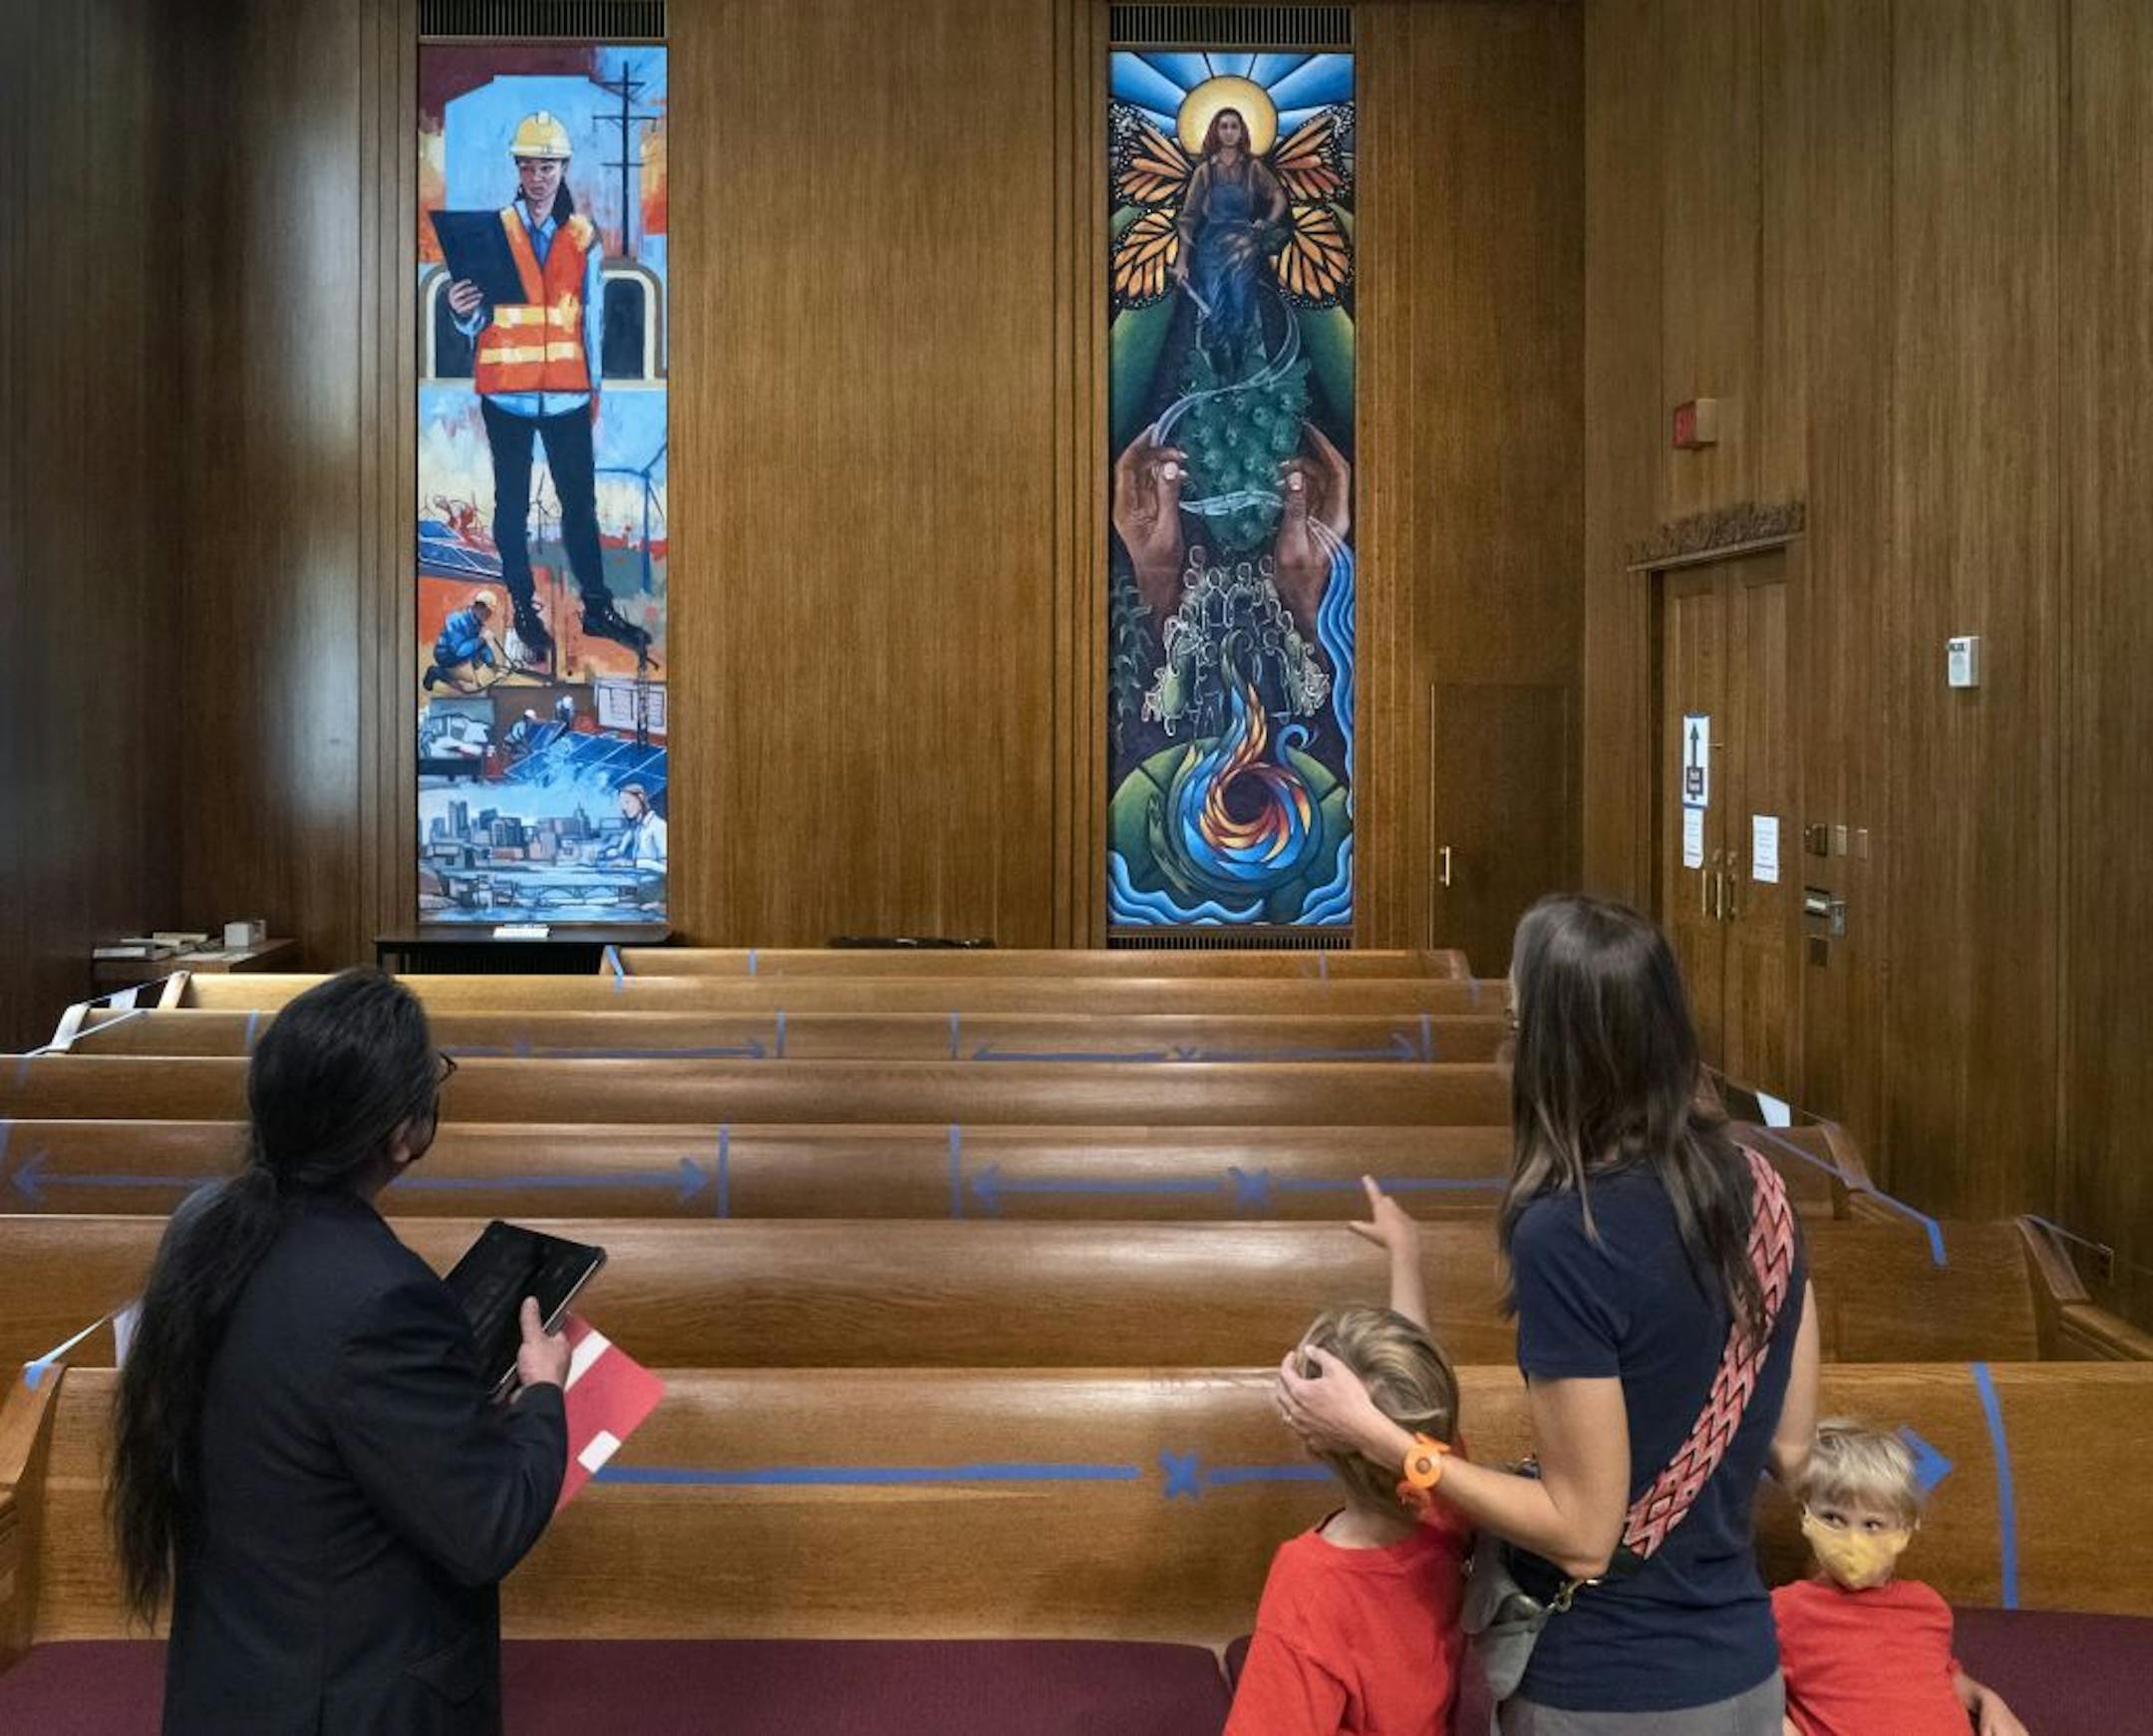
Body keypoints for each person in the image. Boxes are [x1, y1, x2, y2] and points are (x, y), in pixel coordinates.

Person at [1278, 894, 1822, 1734]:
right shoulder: (1764, 1189)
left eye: (1516, 1021)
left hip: (1607, 1692)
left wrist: (1383, 1439)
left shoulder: (1569, 1233)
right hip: (1742, 1677)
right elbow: (1789, 1449)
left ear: (1554, 1051)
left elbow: (1582, 1533)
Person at [109, 969, 570, 1735]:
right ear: (401, 1134)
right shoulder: (384, 1298)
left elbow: (307, 1420)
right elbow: (487, 1527)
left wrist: (448, 1406)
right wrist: (544, 1394)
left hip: (234, 1680)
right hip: (348, 1701)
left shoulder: (204, 1223)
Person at [1225, 1179, 1471, 1735]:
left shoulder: (1311, 1582)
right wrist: (1405, 1252)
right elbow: (1415, 1408)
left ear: (1314, 1436)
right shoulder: (1445, 1495)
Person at [446, 111, 651, 662]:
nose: (537, 176)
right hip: (506, 394)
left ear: (563, 168)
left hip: (566, 394)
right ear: (517, 169)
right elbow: (476, 317)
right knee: (509, 507)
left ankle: (598, 607)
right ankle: (525, 606)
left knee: (578, 505)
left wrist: (595, 392)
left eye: (548, 166)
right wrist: (459, 311)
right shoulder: (495, 232)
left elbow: (593, 321)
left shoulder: (583, 237)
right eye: (529, 165)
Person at [1773, 1422, 2027, 1736]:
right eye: (1833, 1518)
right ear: (1806, 1516)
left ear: (1905, 1529)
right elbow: (1742, 1691)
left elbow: (1942, 1674)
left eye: (1872, 1524)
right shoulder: (1786, 1608)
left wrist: (1988, 1700)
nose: (1853, 1539)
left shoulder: (1926, 1605)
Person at [1171, 107, 1288, 367]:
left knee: (1241, 303)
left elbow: (1279, 197)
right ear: (1215, 131)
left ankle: (1239, 365)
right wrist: (1181, 261)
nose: (1229, 132)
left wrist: (1268, 222)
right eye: (1223, 126)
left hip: (1244, 246)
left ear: (1241, 131)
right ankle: (1217, 372)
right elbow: (1188, 217)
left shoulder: (1253, 168)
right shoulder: (1204, 171)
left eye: (1234, 126)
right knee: (1213, 303)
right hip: (1210, 246)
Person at [422, 589, 500, 693]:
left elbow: (481, 646)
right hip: (446, 656)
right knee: (465, 689)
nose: (488, 617)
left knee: (472, 683)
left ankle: (468, 679)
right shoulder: (457, 620)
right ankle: (436, 672)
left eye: (490, 613)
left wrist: (493, 666)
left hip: (463, 656)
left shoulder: (476, 623)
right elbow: (459, 651)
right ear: (478, 607)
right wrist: (482, 639)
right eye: (487, 612)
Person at [602, 780, 666, 868]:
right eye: (622, 804)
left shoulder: (658, 826)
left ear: (640, 798)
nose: (624, 808)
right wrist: (603, 853)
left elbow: (666, 868)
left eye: (627, 802)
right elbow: (620, 850)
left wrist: (633, 863)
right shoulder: (636, 828)